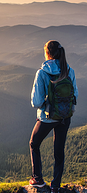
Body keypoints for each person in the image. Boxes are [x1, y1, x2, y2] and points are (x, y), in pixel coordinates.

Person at [29, 40, 78, 193]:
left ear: (47, 53)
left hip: (48, 117)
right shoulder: (69, 70)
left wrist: (45, 105)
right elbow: (74, 95)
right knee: (59, 151)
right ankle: (55, 185)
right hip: (65, 117)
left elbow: (36, 102)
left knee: (34, 143)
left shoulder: (42, 72)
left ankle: (37, 179)